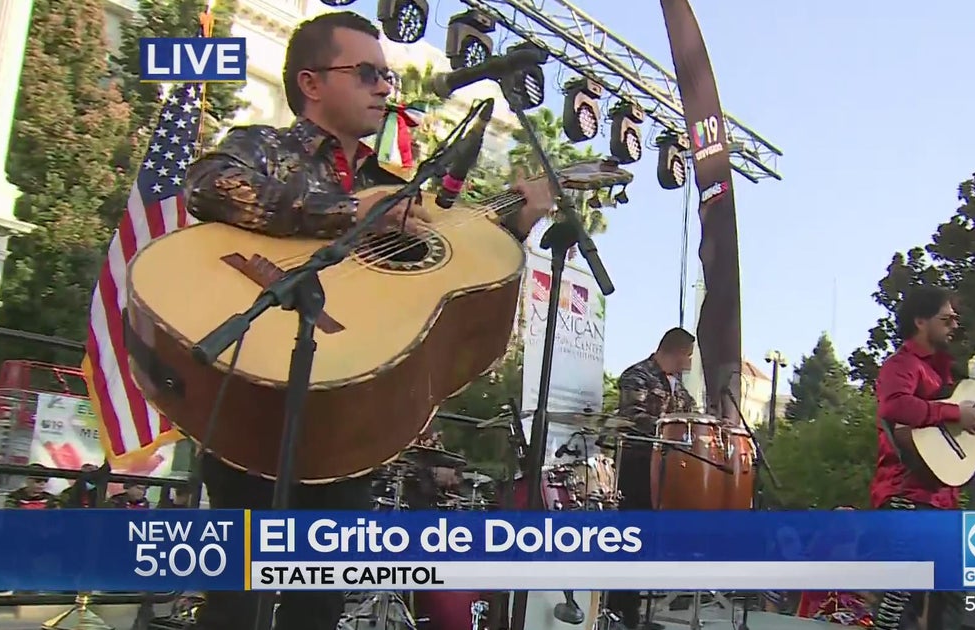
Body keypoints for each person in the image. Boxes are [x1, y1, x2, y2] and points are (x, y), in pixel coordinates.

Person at [183, 12, 554, 630]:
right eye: (368, 73)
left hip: (349, 418)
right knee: (236, 602)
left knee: (319, 607)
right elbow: (208, 184)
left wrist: (517, 221)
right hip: (256, 394)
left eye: (386, 74)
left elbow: (450, 269)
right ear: (311, 82)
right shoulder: (265, 147)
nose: (386, 86)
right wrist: (345, 209)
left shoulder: (398, 188)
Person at [869, 286, 975, 630]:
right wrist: (953, 412)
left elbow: (954, 435)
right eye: (946, 319)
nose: (954, 326)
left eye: (955, 319)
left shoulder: (945, 376)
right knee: (901, 598)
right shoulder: (901, 365)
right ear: (920, 321)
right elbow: (894, 406)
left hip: (943, 498)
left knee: (951, 591)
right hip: (905, 492)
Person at [607, 328, 698, 630]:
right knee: (632, 538)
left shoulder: (682, 391)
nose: (689, 362)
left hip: (668, 473)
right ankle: (623, 613)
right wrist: (669, 432)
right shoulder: (637, 376)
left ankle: (641, 614)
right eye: (688, 355)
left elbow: (692, 422)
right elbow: (632, 417)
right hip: (637, 467)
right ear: (675, 351)